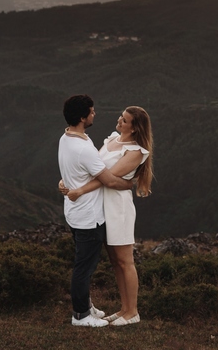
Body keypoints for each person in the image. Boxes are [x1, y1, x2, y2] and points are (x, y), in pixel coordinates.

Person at [60, 105, 153, 327]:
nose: (119, 121)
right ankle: (123, 308)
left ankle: (132, 312)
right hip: (101, 207)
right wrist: (68, 179)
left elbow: (108, 177)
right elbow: (92, 169)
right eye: (121, 117)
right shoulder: (112, 139)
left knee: (125, 261)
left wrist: (79, 189)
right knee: (114, 261)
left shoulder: (135, 151)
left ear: (134, 128)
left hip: (117, 209)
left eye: (125, 120)